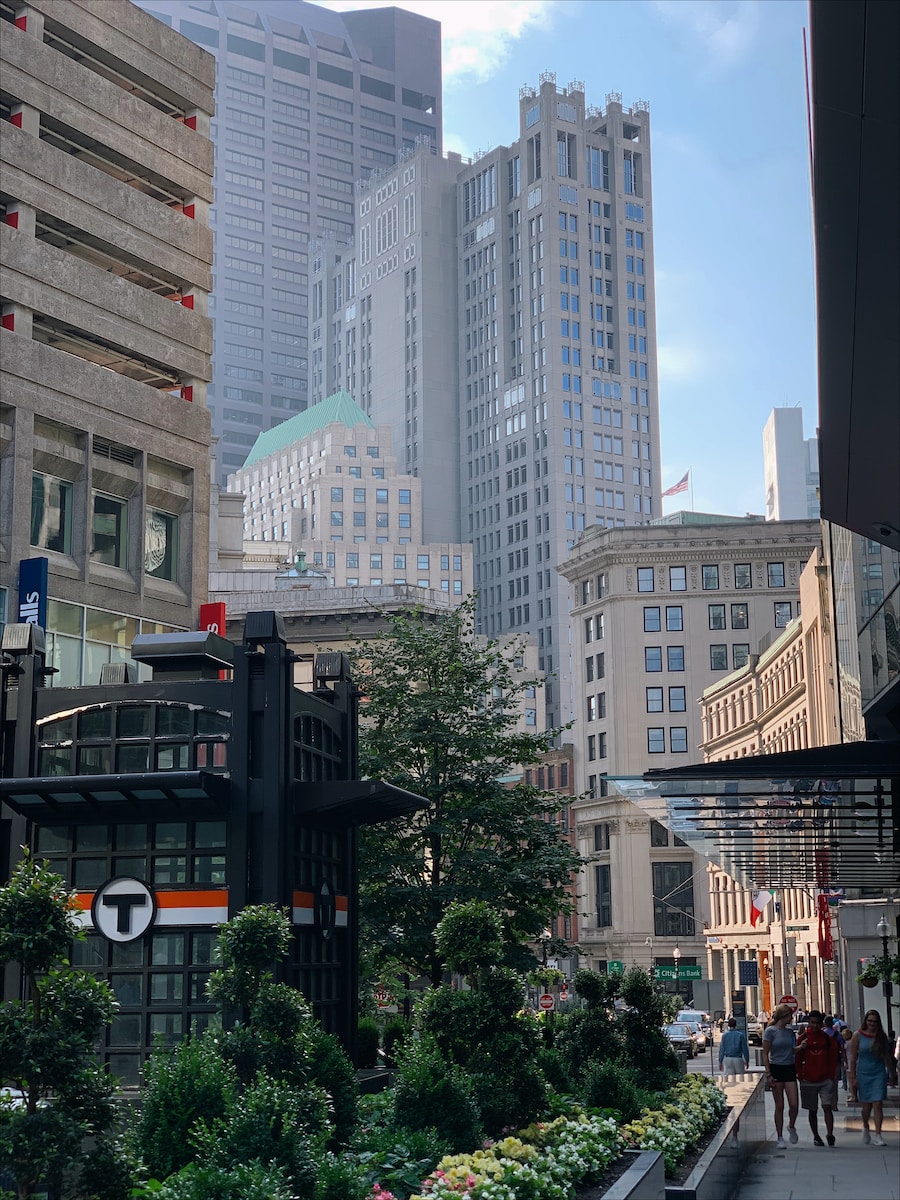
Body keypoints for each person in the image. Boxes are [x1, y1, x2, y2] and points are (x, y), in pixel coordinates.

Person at [847, 1009, 899, 1146]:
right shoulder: (857, 1036)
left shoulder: (881, 1036)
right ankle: (865, 1126)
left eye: (875, 1022)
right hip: (863, 1072)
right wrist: (853, 1077)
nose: (872, 1024)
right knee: (866, 1106)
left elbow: (887, 1056)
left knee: (878, 1103)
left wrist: (892, 1073)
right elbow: (853, 1057)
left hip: (879, 1072)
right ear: (866, 1021)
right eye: (870, 1021)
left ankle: (878, 1134)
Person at [796, 1010, 840, 1146]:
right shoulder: (802, 1039)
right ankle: (816, 1136)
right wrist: (800, 1075)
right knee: (812, 1109)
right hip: (808, 1079)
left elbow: (833, 1059)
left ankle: (830, 1133)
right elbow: (797, 1059)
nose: (814, 1026)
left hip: (825, 1078)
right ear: (809, 1022)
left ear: (822, 1024)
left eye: (817, 1023)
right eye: (812, 1023)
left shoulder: (828, 1040)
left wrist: (832, 1077)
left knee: (827, 1107)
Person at [763, 1003, 800, 1149]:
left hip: (789, 1067)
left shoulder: (790, 1032)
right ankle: (779, 1137)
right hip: (776, 1067)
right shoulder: (770, 1031)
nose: (791, 1018)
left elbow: (792, 1050)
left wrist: (800, 1047)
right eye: (790, 1016)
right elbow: (765, 1052)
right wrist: (768, 1073)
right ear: (784, 1016)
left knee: (794, 1104)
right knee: (780, 1105)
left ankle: (791, 1125)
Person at [823, 1016, 847, 1106]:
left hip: (824, 1061)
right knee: (834, 1083)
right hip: (835, 1060)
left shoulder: (822, 1034)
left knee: (825, 1083)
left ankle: (827, 1102)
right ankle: (834, 1103)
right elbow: (842, 1049)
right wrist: (845, 1061)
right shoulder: (838, 1035)